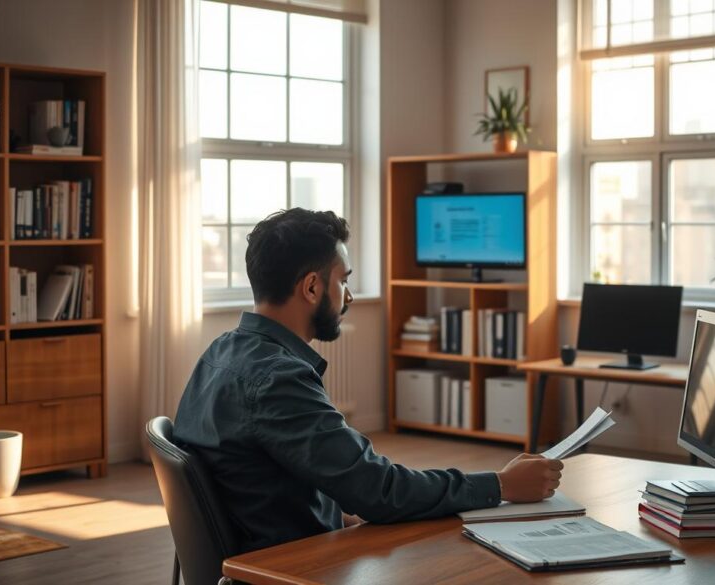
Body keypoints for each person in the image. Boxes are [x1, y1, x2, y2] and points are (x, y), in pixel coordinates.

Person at [173, 208, 563, 553]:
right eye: (343, 280)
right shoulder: (279, 378)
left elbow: (266, 475)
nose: (350, 296)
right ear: (311, 287)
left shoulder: (222, 351)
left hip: (267, 549)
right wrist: (501, 485)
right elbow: (381, 490)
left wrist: (338, 514)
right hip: (292, 564)